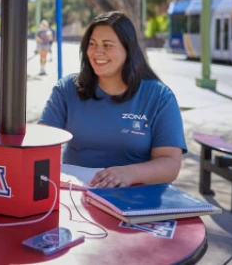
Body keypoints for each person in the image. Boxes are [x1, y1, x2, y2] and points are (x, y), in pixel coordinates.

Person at [38, 11, 186, 188]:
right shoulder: (67, 89)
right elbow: (41, 142)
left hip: (137, 198)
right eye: (92, 44)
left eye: (107, 45)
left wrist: (130, 173)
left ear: (128, 49)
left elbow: (170, 163)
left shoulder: (159, 97)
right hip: (76, 196)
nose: (97, 52)